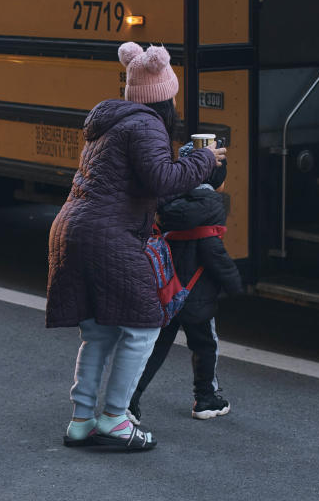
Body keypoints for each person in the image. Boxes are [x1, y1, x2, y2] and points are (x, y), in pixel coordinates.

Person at [46, 42, 226, 450]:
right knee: (145, 327)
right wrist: (204, 160)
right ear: (166, 98)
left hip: (74, 229)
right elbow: (162, 181)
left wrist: (188, 164)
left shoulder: (114, 122)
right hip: (109, 235)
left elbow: (146, 181)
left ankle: (81, 421)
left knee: (99, 333)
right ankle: (114, 419)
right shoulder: (146, 125)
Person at [128, 142, 243, 424]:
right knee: (205, 345)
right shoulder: (211, 206)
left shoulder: (167, 204)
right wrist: (235, 284)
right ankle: (206, 398)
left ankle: (129, 400)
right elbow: (213, 252)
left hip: (168, 291)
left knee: (154, 348)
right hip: (197, 295)